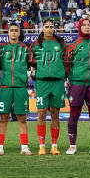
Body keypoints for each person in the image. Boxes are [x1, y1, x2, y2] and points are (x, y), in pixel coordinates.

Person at [64, 18, 90, 155]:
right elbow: (66, 64)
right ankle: (72, 146)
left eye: (89, 25)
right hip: (77, 83)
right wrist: (72, 78)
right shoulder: (72, 46)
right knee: (74, 115)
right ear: (79, 27)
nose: (87, 27)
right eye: (84, 25)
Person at [29, 19, 66, 155]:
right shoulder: (36, 44)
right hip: (42, 83)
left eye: (51, 27)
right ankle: (42, 146)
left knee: (55, 113)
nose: (49, 29)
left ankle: (54, 146)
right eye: (47, 27)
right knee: (42, 113)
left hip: (57, 83)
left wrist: (61, 73)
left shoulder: (61, 43)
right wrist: (42, 70)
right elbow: (31, 61)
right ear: (42, 28)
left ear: (54, 29)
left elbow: (66, 61)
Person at [0, 23, 32, 156]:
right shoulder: (1, 48)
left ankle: (25, 147)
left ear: (19, 33)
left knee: (22, 118)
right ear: (8, 33)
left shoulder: (26, 48)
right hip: (5, 87)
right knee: (3, 117)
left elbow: (30, 63)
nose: (14, 33)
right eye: (12, 30)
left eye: (16, 30)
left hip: (20, 87)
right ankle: (0, 147)